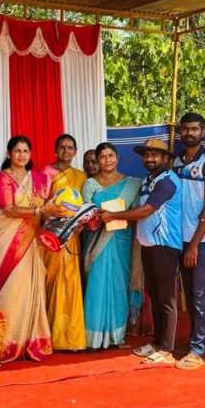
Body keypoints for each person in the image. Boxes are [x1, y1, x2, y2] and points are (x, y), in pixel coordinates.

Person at [103, 138, 183, 366]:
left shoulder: (167, 181)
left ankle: (167, 349)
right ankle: (157, 342)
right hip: (148, 245)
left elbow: (147, 210)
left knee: (166, 298)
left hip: (165, 246)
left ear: (165, 158)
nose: (150, 158)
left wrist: (113, 216)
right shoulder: (149, 180)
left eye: (155, 155)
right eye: (147, 155)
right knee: (155, 296)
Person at [0, 136, 55, 362]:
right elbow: (9, 210)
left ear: (30, 154)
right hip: (8, 238)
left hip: (32, 238)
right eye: (17, 151)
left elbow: (46, 209)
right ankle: (7, 342)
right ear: (9, 154)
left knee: (32, 287)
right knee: (12, 289)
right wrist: (41, 211)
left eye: (25, 151)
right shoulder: (2, 178)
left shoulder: (39, 178)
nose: (21, 155)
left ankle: (31, 338)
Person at [173, 113, 205, 370]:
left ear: (203, 132)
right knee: (189, 294)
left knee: (201, 295)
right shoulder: (176, 160)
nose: (189, 133)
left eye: (194, 129)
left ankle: (199, 348)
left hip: (199, 240)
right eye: (185, 129)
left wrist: (194, 243)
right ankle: (194, 340)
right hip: (177, 238)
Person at [82, 142, 142, 349]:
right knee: (96, 284)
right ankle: (93, 338)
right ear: (97, 160)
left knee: (118, 284)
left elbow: (136, 213)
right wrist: (98, 218)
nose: (107, 160)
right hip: (96, 241)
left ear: (117, 158)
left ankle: (117, 337)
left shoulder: (131, 184)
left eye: (111, 156)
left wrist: (116, 216)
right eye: (103, 157)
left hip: (121, 240)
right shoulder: (90, 184)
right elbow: (84, 215)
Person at [43, 134, 87, 351]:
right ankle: (48, 335)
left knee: (71, 284)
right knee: (51, 284)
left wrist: (80, 223)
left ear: (75, 152)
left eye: (70, 148)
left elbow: (85, 206)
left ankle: (71, 338)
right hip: (51, 237)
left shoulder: (81, 176)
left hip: (73, 236)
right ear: (55, 150)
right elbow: (40, 204)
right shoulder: (45, 173)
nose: (66, 151)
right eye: (62, 147)